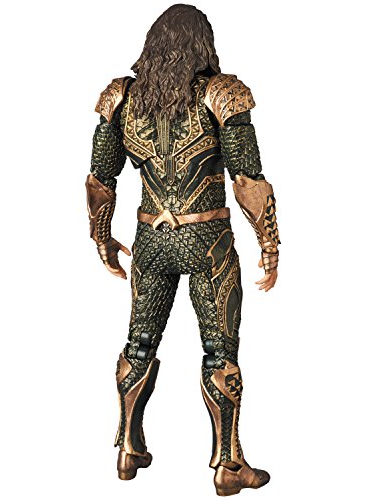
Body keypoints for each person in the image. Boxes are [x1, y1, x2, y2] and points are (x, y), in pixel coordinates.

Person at [86, 4, 280, 496]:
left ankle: (129, 447)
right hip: (207, 240)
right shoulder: (222, 94)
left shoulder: (123, 98)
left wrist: (101, 237)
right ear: (202, 44)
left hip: (152, 240)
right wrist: (270, 243)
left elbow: (100, 179)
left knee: (139, 343)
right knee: (220, 350)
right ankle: (229, 464)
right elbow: (248, 179)